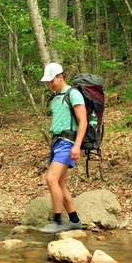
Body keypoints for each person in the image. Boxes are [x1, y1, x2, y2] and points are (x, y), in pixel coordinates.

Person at [39, 62, 86, 234]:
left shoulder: (74, 94)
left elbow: (83, 121)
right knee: (59, 182)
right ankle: (74, 220)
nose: (49, 84)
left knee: (51, 179)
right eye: (47, 82)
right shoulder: (56, 97)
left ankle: (58, 221)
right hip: (57, 142)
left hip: (68, 142)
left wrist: (77, 145)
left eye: (52, 81)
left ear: (60, 77)